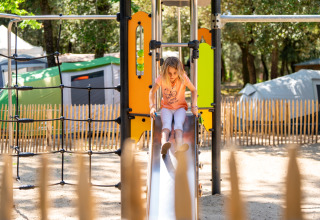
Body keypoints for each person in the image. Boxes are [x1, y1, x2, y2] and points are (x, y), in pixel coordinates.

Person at [149, 57, 198, 155]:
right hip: (166, 107)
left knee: (178, 126)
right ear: (165, 71)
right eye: (169, 73)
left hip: (180, 108)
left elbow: (194, 90)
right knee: (166, 126)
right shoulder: (162, 78)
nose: (172, 76)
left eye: (175, 73)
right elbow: (152, 92)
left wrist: (194, 106)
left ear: (179, 71)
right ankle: (164, 145)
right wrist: (152, 106)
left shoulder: (183, 77)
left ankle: (179, 146)